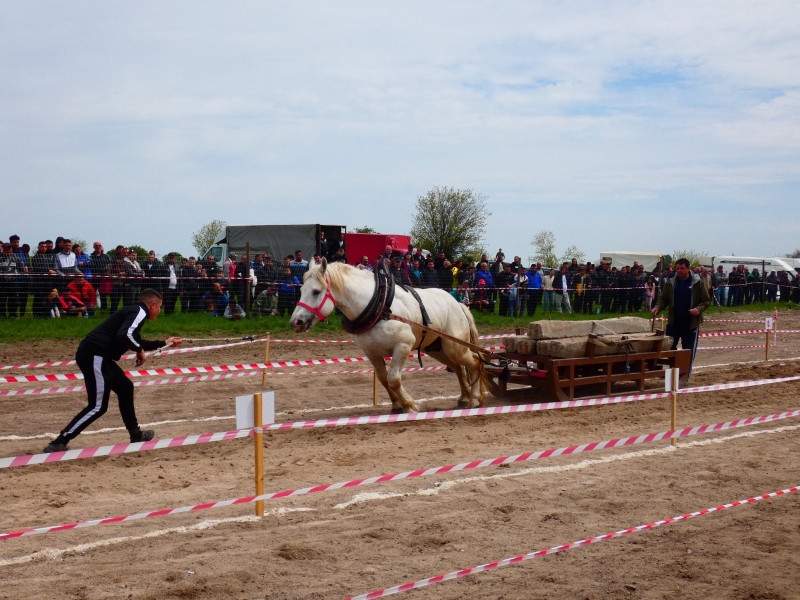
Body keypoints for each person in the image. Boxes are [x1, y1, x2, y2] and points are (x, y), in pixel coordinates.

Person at [42, 289, 182, 452]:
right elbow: (125, 335)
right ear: (152, 305)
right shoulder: (139, 312)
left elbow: (133, 338)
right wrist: (139, 349)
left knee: (125, 388)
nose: (159, 310)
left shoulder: (135, 312)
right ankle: (59, 442)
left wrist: (164, 342)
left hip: (101, 356)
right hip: (95, 354)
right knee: (98, 406)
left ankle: (136, 435)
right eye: (159, 306)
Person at [651, 258, 711, 374]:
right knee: (669, 350)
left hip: (690, 324)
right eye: (677, 268)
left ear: (688, 268)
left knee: (687, 352)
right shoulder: (671, 282)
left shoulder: (698, 282)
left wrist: (698, 309)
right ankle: (672, 374)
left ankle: (684, 376)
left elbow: (706, 301)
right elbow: (664, 299)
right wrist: (657, 307)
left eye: (682, 268)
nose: (679, 271)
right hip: (674, 323)